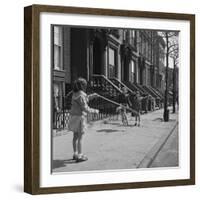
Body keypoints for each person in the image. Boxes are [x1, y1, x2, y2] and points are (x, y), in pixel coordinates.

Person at [68, 78, 99, 162]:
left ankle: (75, 153)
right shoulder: (82, 95)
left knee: (75, 137)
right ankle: (80, 155)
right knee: (80, 137)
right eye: (85, 85)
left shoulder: (74, 94)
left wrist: (93, 95)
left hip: (73, 117)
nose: (86, 86)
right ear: (83, 86)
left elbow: (85, 99)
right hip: (79, 118)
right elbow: (85, 108)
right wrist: (95, 111)